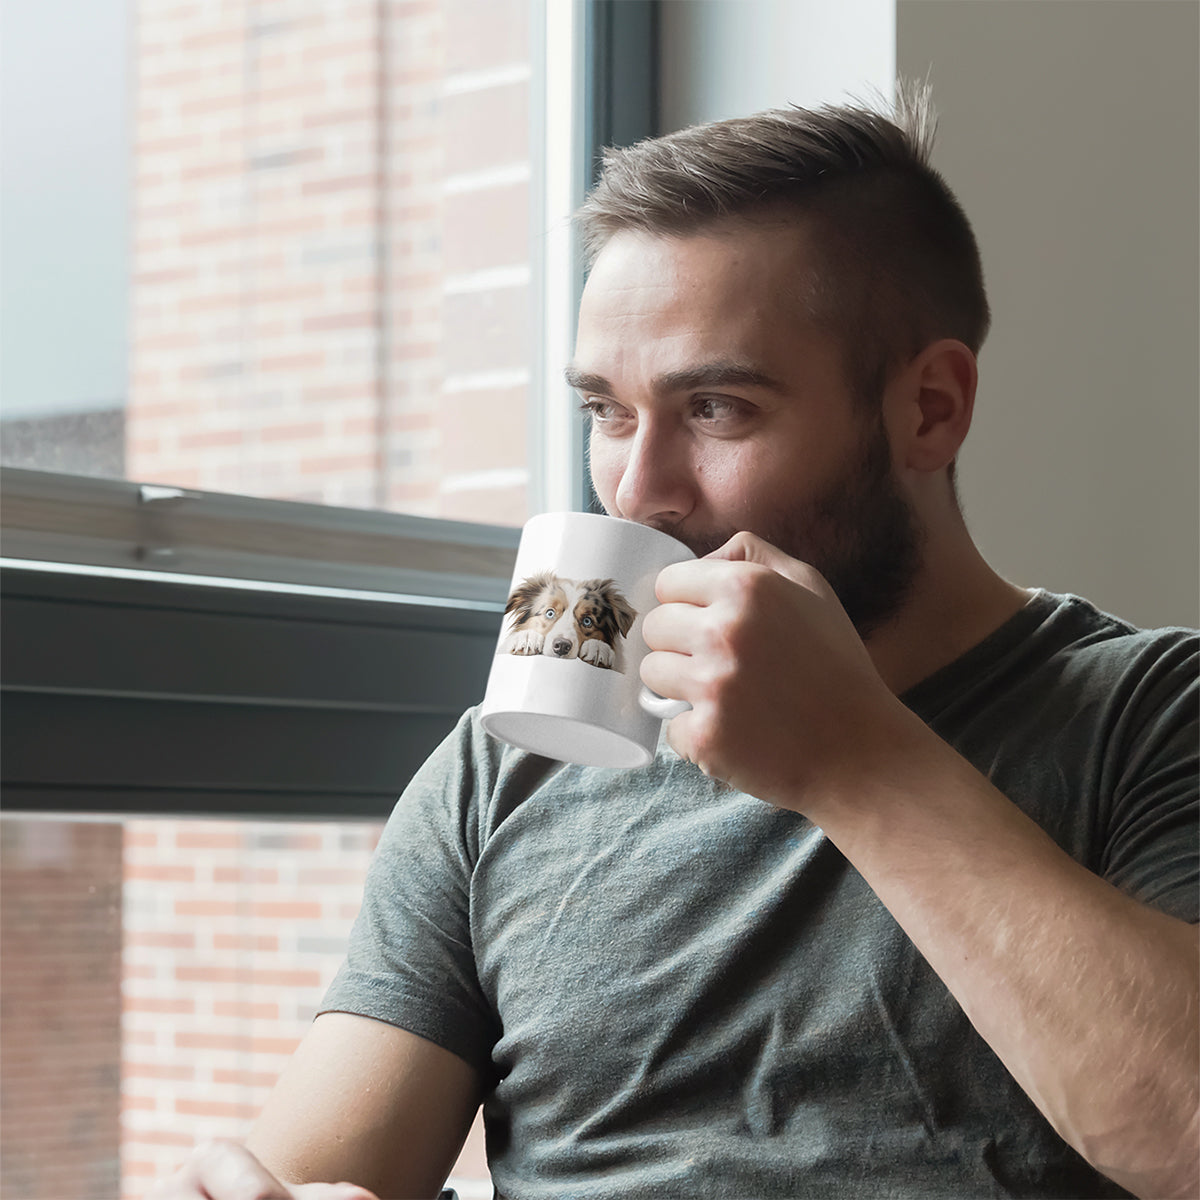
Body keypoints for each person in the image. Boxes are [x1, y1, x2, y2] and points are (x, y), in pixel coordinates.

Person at [151, 87, 1198, 1200]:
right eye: (607, 411)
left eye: (716, 409)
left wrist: (857, 760)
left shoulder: (1151, 715)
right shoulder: (503, 767)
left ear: (930, 409)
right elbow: (316, 1171)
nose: (637, 492)